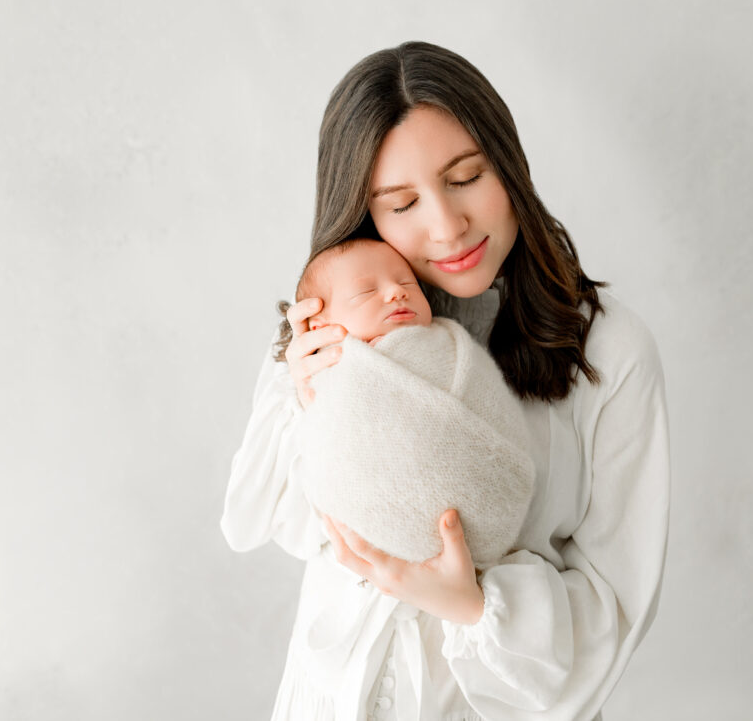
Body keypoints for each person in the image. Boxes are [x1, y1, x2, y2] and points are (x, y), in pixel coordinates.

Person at [221, 41, 670, 721]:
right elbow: (255, 521)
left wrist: (475, 604)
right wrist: (302, 401)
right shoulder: (332, 331)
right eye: (400, 203)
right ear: (365, 214)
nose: (446, 224)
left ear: (509, 165)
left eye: (465, 177)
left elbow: (617, 606)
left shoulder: (609, 352)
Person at [276, 236, 534, 568]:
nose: (397, 293)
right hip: (374, 555)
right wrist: (309, 396)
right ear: (321, 326)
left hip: (493, 514)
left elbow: (491, 402)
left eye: (406, 283)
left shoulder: (449, 342)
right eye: (367, 292)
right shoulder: (323, 374)